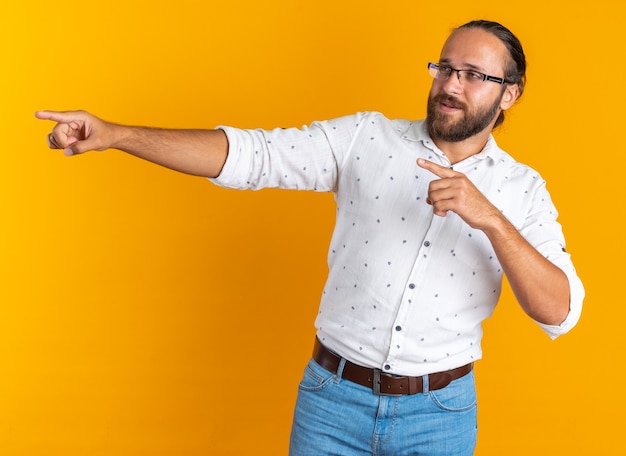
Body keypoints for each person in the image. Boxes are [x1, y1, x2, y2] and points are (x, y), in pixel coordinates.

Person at [36, 19, 584, 456]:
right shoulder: (366, 138)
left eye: (472, 74)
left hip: (439, 418)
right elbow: (252, 155)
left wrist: (489, 217)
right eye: (444, 67)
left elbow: (558, 310)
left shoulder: (522, 190)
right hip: (331, 403)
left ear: (508, 95)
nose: (450, 84)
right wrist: (116, 134)